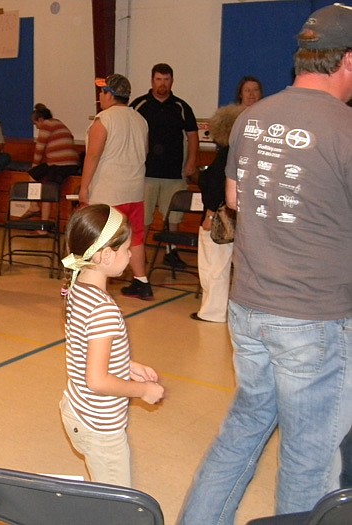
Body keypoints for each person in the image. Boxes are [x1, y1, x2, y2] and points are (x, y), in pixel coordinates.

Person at [179, 4, 352, 523]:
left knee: (245, 428)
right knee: (309, 453)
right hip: (313, 317)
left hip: (250, 308)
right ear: (347, 60)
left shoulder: (253, 118)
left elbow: (233, 197)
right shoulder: (345, 127)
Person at [59, 204, 164, 486]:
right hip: (100, 426)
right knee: (115, 504)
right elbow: (97, 380)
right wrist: (143, 391)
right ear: (106, 255)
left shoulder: (77, 286)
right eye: (127, 249)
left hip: (76, 408)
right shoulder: (103, 309)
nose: (131, 255)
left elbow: (86, 348)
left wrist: (127, 365)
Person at [79, 74, 153, 300]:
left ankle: (96, 285)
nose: (100, 96)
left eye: (102, 92)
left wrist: (84, 188)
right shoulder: (140, 120)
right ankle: (142, 282)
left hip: (109, 190)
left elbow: (92, 156)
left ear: (110, 95)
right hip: (134, 189)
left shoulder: (104, 120)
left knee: (101, 238)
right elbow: (146, 151)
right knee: (136, 237)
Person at [130, 63, 199, 270]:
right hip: (146, 173)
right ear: (152, 81)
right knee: (144, 218)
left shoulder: (181, 107)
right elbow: (128, 133)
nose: (163, 84)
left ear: (172, 81)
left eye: (166, 80)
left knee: (174, 218)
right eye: (159, 79)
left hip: (175, 174)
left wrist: (191, 162)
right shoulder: (139, 105)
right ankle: (138, 254)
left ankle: (171, 252)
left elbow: (193, 137)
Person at [191, 103, 247, 323]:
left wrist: (210, 215)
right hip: (238, 218)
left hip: (218, 217)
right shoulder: (242, 153)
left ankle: (212, 312)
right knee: (226, 266)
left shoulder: (225, 155)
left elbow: (215, 186)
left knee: (213, 266)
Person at [24, 104, 79, 226]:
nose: (37, 128)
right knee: (33, 174)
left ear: (40, 120)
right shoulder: (58, 123)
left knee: (46, 189)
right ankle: (33, 205)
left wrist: (34, 165)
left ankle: (42, 226)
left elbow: (39, 148)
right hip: (69, 163)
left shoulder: (46, 125)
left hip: (61, 164)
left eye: (35, 124)